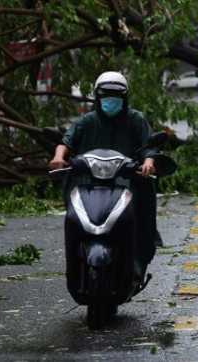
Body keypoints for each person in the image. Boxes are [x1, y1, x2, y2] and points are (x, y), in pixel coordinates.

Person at [48, 71, 161, 268]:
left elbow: (148, 147)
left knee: (144, 210)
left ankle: (138, 260)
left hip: (127, 181)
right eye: (106, 96)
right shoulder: (87, 121)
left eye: (116, 96)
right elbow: (66, 141)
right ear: (97, 97)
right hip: (90, 182)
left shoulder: (136, 120)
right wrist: (58, 157)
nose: (111, 100)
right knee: (73, 217)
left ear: (124, 98)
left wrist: (148, 162)